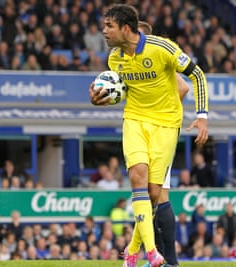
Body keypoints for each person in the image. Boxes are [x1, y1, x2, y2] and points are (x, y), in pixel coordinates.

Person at [89, 5, 209, 267]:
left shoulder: (163, 49)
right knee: (137, 178)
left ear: (126, 28)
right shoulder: (114, 59)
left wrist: (202, 117)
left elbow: (193, 78)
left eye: (109, 26)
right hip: (134, 120)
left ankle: (132, 252)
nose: (104, 31)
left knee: (154, 193)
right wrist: (102, 99)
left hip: (166, 124)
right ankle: (154, 254)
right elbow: (120, 92)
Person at [137, 20, 190, 267]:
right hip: (147, 130)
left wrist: (160, 112)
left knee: (158, 195)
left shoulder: (159, 58)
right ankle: (160, 258)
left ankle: (168, 259)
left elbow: (183, 87)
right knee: (149, 197)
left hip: (161, 132)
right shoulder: (134, 64)